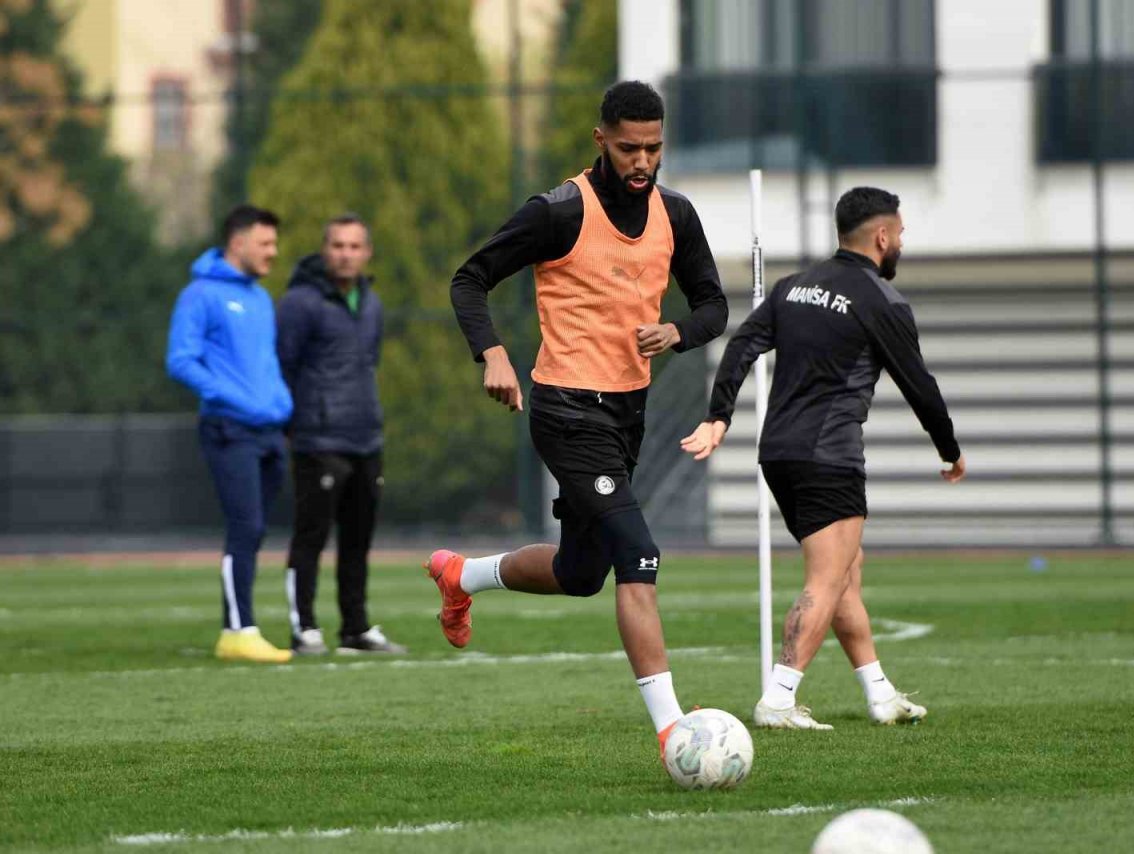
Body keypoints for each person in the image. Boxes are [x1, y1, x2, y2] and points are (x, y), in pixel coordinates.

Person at [433, 81, 728, 752]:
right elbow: (469, 279)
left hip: (627, 412)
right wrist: (493, 354)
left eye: (653, 148)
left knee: (580, 574)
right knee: (639, 554)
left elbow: (714, 306)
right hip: (566, 408)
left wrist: (677, 332)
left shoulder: (676, 215)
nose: (642, 161)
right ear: (601, 140)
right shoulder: (559, 211)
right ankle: (673, 733)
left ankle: (461, 575)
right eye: (628, 148)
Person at [680, 187, 966, 729]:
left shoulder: (793, 288)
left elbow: (741, 346)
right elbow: (919, 385)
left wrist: (719, 416)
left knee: (845, 575)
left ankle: (880, 694)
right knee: (827, 580)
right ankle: (779, 699)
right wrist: (948, 449)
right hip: (830, 455)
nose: (901, 243)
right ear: (882, 236)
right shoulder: (881, 300)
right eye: (900, 234)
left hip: (778, 454)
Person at [166, 205, 294, 663]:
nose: (273, 252)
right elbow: (180, 359)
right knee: (246, 525)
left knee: (254, 529)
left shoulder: (259, 297)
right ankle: (238, 630)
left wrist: (279, 405)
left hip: (270, 430)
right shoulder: (199, 294)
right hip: (229, 427)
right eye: (265, 243)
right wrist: (231, 397)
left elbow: (265, 364)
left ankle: (237, 628)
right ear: (238, 243)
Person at [275, 214, 407, 656]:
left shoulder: (372, 303)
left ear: (367, 253)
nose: (346, 254)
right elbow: (284, 366)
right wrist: (293, 426)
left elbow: (368, 364)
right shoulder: (299, 303)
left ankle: (356, 627)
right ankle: (304, 627)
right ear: (324, 250)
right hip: (319, 439)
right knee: (310, 537)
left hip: (366, 437)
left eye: (354, 246)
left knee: (358, 540)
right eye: (337, 246)